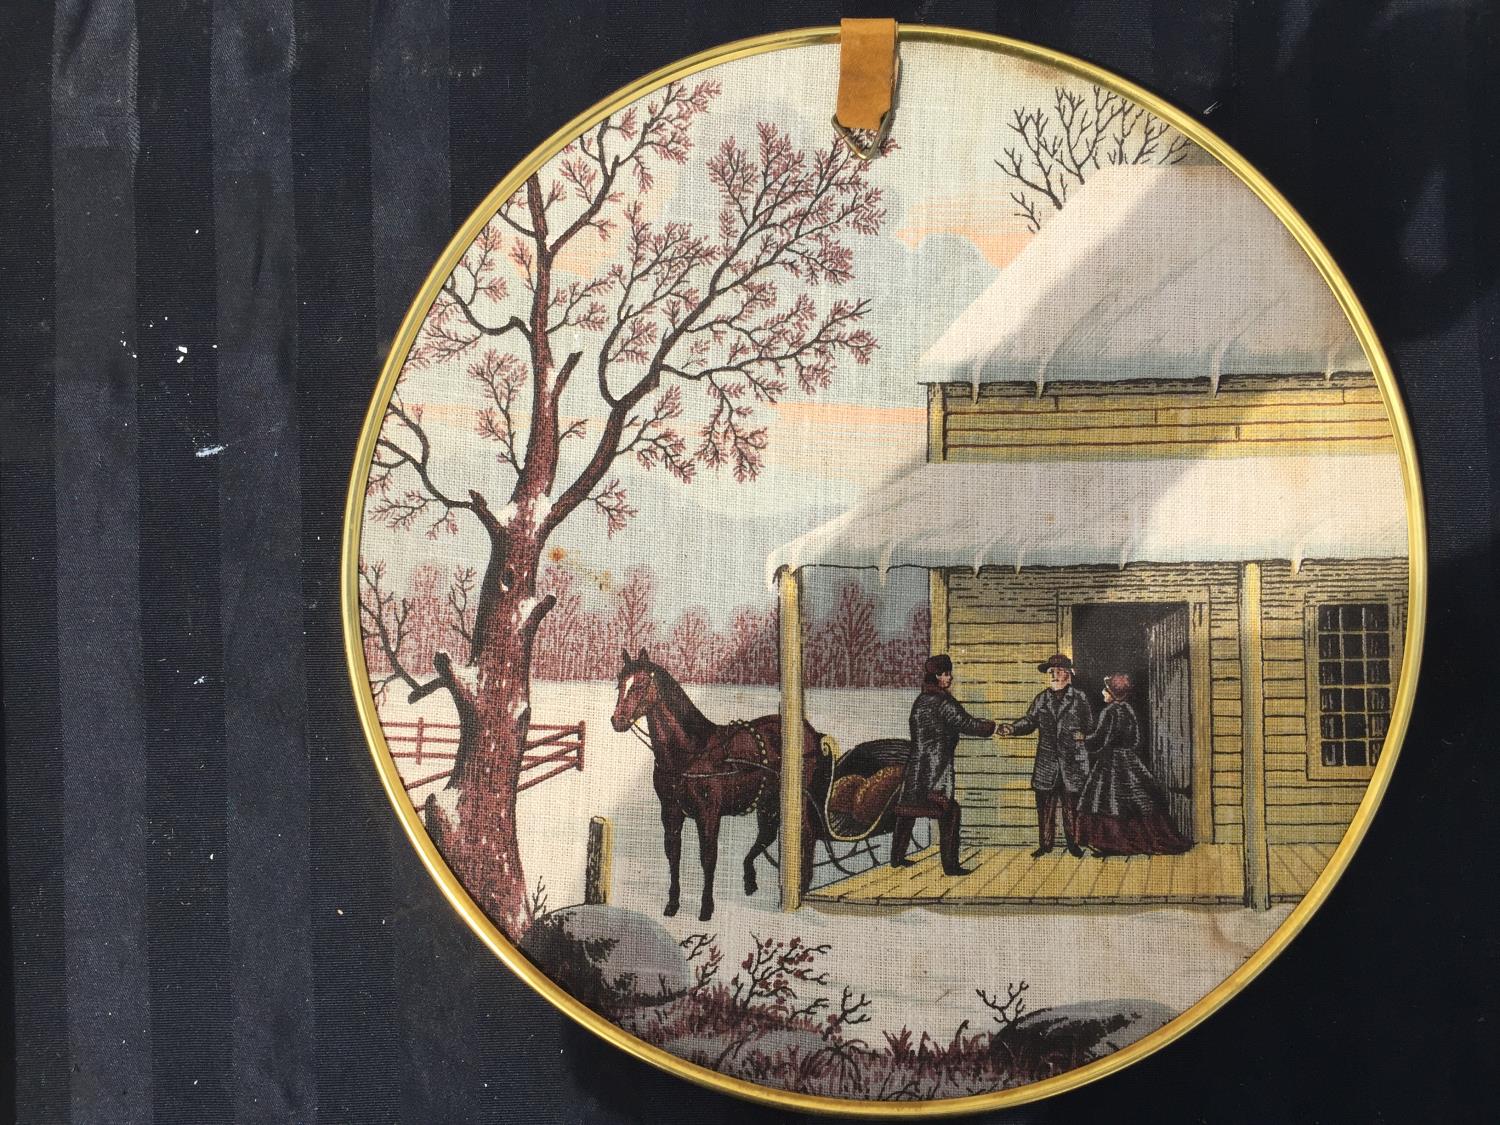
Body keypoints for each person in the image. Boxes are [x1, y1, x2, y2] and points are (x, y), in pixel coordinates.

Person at [890, 654, 996, 875]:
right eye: (946, 674)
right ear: (937, 676)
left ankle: (896, 858)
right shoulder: (943, 702)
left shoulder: (920, 701)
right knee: (950, 813)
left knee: (907, 810)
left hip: (916, 768)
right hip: (935, 770)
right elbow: (967, 723)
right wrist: (991, 727)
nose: (950, 678)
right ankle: (951, 866)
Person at [1072, 674, 1190, 856]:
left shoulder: (1109, 712)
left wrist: (1083, 738)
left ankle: (1111, 844)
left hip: (1111, 761)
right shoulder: (1128, 709)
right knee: (1134, 800)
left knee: (1106, 800)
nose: (1103, 692)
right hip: (1129, 759)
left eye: (1106, 689)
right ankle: (1129, 842)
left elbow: (1099, 739)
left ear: (1113, 693)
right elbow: (1135, 739)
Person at [997, 654, 1093, 858]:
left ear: (1068, 674)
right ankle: (1045, 844)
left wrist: (1083, 736)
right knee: (1045, 807)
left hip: (1072, 763)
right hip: (1047, 763)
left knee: (1071, 807)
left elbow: (1090, 725)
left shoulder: (1079, 698)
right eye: (1051, 672)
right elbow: (1029, 721)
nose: (1054, 675)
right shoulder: (1042, 698)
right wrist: (1012, 728)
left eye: (1058, 672)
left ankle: (1074, 844)